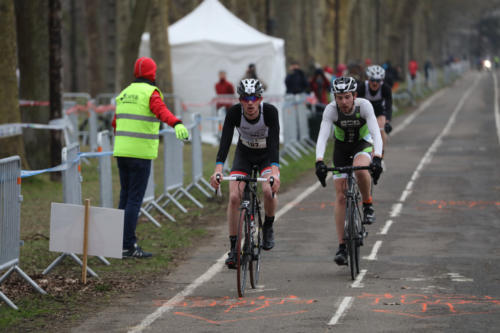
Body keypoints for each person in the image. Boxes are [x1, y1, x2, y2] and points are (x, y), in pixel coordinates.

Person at [112, 57, 189, 258]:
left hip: (121, 151)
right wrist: (177, 123)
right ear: (152, 74)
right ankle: (128, 246)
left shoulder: (124, 93)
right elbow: (161, 111)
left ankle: (119, 244)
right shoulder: (150, 93)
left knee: (125, 197)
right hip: (140, 153)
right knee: (134, 200)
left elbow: (115, 122)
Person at [209, 79, 280, 269]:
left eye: (254, 98)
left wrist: (275, 172)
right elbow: (225, 142)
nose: (250, 103)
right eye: (246, 98)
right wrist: (217, 170)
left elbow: (274, 144)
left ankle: (268, 226)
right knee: (234, 197)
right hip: (244, 154)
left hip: (266, 156)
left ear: (260, 99)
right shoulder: (233, 113)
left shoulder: (270, 112)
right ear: (240, 100)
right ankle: (233, 249)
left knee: (267, 190)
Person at [315, 77, 383, 266]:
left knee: (361, 171)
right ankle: (342, 246)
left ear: (354, 96)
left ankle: (368, 204)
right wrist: (319, 161)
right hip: (341, 149)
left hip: (362, 144)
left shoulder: (365, 106)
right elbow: (322, 136)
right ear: (334, 98)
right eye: (339, 98)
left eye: (347, 97)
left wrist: (377, 156)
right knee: (341, 197)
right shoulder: (331, 110)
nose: (343, 102)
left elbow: (376, 133)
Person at [357, 65, 393, 158]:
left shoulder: (386, 88)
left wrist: (388, 121)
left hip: (378, 110)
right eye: (372, 80)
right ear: (368, 79)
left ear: (381, 81)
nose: (375, 83)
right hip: (365, 110)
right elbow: (356, 104)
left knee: (380, 129)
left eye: (378, 81)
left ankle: (381, 155)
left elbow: (388, 106)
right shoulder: (361, 87)